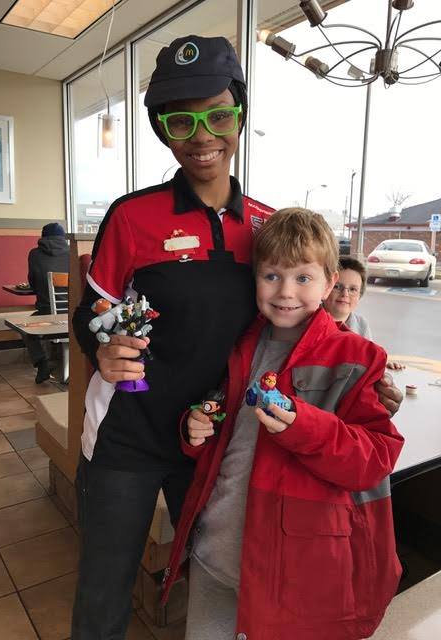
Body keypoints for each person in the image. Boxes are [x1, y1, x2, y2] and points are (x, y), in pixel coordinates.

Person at [71, 36, 402, 639]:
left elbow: (305, 324)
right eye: (181, 121)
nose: (202, 135)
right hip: (128, 435)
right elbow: (92, 312)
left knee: (213, 574)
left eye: (218, 116)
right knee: (104, 592)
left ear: (240, 117)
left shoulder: (265, 225)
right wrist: (101, 349)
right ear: (162, 129)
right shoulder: (132, 216)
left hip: (215, 444)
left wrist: (366, 381)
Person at [163, 208, 404, 640]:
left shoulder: (357, 357)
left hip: (290, 572)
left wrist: (304, 427)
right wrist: (194, 429)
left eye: (303, 278)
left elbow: (375, 459)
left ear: (329, 283)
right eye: (271, 276)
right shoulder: (237, 345)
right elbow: (224, 431)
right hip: (213, 553)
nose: (285, 292)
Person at [324, 256, 405, 369]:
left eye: (353, 289)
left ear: (359, 295)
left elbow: (369, 358)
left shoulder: (361, 324)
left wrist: (382, 365)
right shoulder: (310, 320)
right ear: (325, 288)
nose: (345, 294)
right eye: (337, 287)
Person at [25, 222, 69, 383]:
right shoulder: (73, 253)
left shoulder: (35, 254)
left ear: (43, 237)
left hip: (48, 315)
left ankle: (42, 364)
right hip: (73, 314)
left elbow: (33, 283)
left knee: (26, 327)